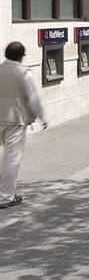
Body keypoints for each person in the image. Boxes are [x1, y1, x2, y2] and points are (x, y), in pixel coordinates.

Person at [0, 42, 47, 209]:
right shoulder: (24, 72)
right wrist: (41, 116)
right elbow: (32, 98)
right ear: (21, 56)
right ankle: (5, 196)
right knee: (12, 158)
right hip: (15, 120)